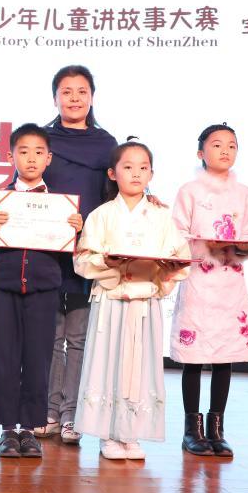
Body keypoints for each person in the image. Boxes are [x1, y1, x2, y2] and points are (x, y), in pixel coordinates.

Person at [74, 140, 190, 461]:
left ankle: (132, 433)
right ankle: (109, 434)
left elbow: (180, 256)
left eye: (143, 168)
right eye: (128, 167)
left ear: (152, 173)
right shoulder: (101, 215)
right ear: (113, 173)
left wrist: (165, 270)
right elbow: (83, 258)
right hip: (112, 300)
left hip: (145, 302)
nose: (136, 174)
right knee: (108, 363)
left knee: (141, 366)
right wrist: (109, 263)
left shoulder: (161, 216)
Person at [0, 124, 82, 459]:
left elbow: (67, 251)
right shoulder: (0, 199)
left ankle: (30, 429)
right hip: (5, 289)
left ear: (49, 158)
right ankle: (8, 429)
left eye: (39, 152)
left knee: (38, 360)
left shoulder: (60, 205)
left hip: (44, 290)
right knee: (5, 359)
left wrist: (76, 230)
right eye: (23, 152)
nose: (31, 158)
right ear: (11, 156)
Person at [34, 66, 119, 447]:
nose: (74, 98)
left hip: (88, 250)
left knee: (80, 338)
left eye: (81, 91)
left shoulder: (106, 144)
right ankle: (49, 411)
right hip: (47, 250)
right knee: (50, 337)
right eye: (66, 91)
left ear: (92, 97)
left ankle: (73, 415)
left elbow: (113, 195)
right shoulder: (42, 140)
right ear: (55, 98)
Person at [169, 124, 248, 457]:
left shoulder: (245, 193)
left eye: (232, 145)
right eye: (217, 144)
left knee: (225, 356)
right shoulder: (189, 191)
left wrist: (240, 247)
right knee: (193, 358)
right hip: (198, 281)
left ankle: (216, 429)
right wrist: (203, 246)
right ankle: (191, 431)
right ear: (200, 152)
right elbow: (176, 234)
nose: (225, 151)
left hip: (230, 283)